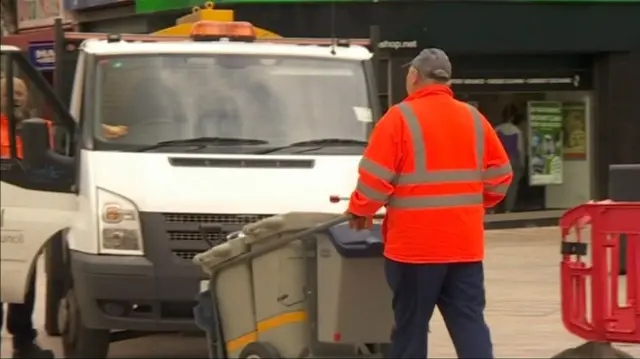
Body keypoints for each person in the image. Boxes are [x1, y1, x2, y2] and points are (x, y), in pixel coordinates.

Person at [345, 48, 513, 359]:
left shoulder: (399, 118)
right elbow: (501, 176)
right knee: (469, 324)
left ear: (413, 77)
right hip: (464, 246)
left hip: (415, 250)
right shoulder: (474, 119)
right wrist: (474, 204)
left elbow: (374, 180)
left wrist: (360, 210)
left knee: (410, 329)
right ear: (446, 80)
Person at [495, 104, 525, 212]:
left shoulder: (496, 130)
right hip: (513, 160)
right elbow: (520, 149)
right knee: (512, 187)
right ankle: (508, 209)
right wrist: (522, 164)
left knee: (497, 185)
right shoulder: (517, 131)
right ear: (513, 117)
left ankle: (494, 208)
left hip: (498, 160)